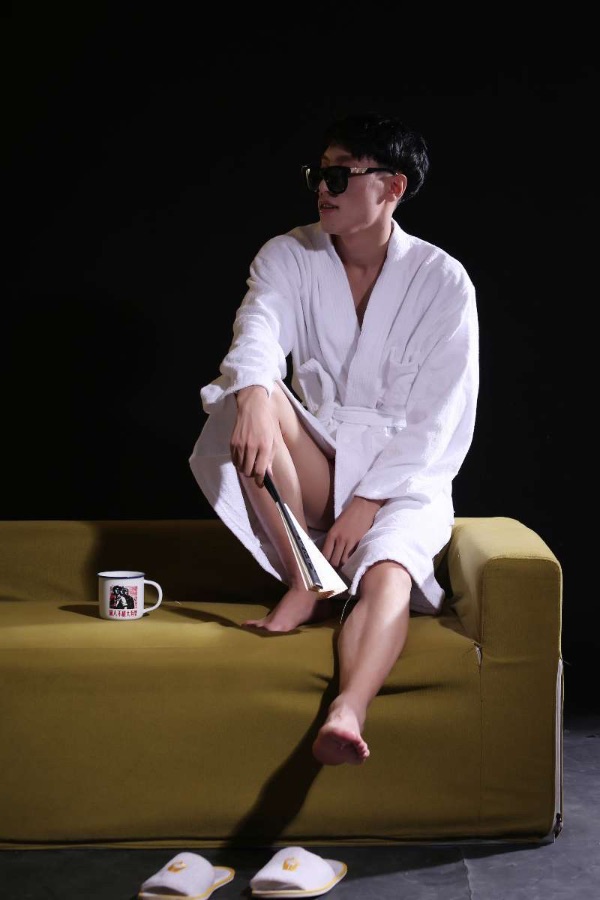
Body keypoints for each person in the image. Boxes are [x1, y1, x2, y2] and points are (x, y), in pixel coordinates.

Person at [189, 111, 479, 767]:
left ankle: (348, 711)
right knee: (245, 393)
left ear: (393, 186)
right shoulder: (288, 255)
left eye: (340, 175)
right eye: (319, 174)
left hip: (402, 483)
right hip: (316, 467)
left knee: (388, 569)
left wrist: (370, 501)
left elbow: (440, 418)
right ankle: (307, 578)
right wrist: (255, 394)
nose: (323, 188)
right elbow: (257, 331)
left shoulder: (442, 280)